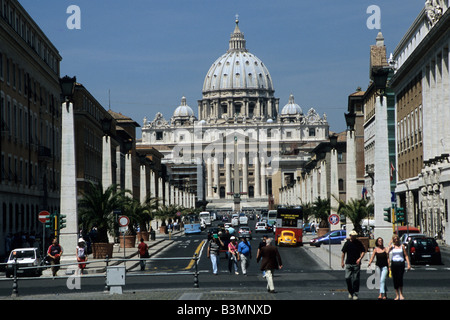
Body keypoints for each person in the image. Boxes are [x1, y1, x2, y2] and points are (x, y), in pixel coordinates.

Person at [341, 230, 366, 300]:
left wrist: (360, 258)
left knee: (355, 279)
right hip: (348, 263)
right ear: (350, 236)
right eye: (353, 236)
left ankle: (355, 293)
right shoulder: (347, 243)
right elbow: (343, 252)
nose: (354, 237)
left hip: (356, 264)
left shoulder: (358, 243)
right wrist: (342, 262)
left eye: (355, 236)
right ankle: (350, 291)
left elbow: (363, 251)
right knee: (347, 278)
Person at [388, 234, 411, 300]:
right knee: (395, 279)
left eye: (397, 239)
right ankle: (397, 295)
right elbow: (387, 252)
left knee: (400, 278)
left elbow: (406, 255)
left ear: (398, 239)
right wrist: (390, 243)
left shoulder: (402, 246)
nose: (396, 240)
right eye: (394, 239)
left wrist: (408, 264)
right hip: (394, 263)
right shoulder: (392, 247)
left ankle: (401, 294)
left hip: (401, 263)